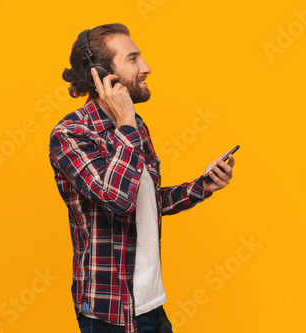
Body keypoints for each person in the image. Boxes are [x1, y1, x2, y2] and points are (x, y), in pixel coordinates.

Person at [49, 23, 235, 333]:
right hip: (111, 312)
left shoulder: (134, 126)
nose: (146, 67)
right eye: (133, 59)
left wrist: (201, 187)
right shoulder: (72, 134)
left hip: (151, 305)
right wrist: (125, 121)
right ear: (100, 73)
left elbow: (145, 202)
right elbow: (117, 199)